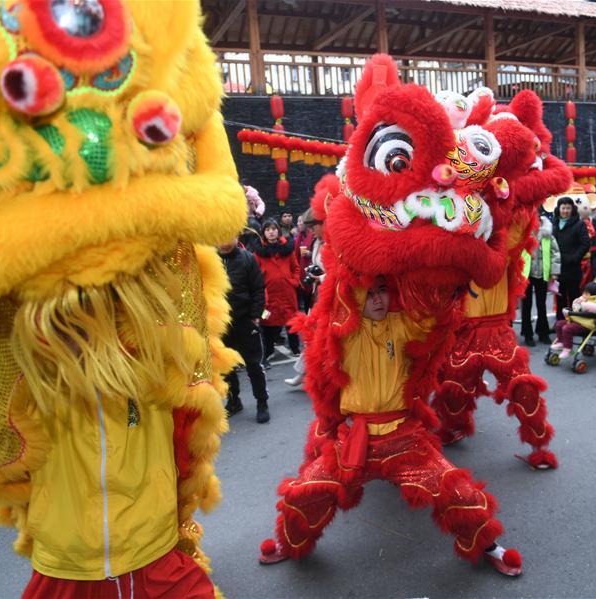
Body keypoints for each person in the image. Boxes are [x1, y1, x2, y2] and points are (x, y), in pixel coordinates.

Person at [259, 278, 522, 576]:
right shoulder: (343, 333)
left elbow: (433, 315)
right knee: (305, 492)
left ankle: (488, 546)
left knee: (459, 492)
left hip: (403, 440)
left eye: (382, 290)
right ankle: (291, 544)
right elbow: (338, 295)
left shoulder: (403, 324)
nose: (377, 299)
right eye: (368, 294)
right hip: (354, 441)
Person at [219, 236, 271, 423]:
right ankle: (233, 401)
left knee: (254, 365)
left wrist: (256, 316)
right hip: (222, 324)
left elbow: (258, 289)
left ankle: (262, 402)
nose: (223, 241)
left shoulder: (248, 258)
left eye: (227, 235)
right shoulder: (212, 261)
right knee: (226, 367)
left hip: (246, 322)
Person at [254, 220, 301, 364]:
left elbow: (296, 268)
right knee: (266, 322)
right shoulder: (258, 252)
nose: (271, 232)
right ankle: (268, 351)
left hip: (287, 293)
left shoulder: (287, 249)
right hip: (268, 295)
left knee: (291, 320)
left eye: (274, 229)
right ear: (264, 233)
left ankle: (295, 348)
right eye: (268, 229)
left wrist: (293, 281)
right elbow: (255, 273)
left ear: (278, 231)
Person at [550, 283, 596, 360]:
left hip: (588, 324)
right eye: (584, 292)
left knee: (567, 328)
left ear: (593, 294)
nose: (583, 294)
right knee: (559, 324)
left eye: (586, 293)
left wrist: (584, 305)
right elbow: (575, 306)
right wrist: (576, 303)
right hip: (577, 320)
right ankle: (561, 342)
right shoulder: (584, 298)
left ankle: (567, 349)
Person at [523, 212, 561, 345]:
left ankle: (543, 332)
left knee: (541, 304)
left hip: (542, 274)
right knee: (526, 305)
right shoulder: (522, 233)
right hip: (525, 274)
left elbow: (555, 253)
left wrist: (554, 272)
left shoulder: (547, 234)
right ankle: (527, 334)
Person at [552, 197, 591, 323]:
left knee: (574, 294)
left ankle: (575, 321)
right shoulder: (554, 223)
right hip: (558, 266)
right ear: (559, 209)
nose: (565, 211)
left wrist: (575, 257)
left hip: (573, 267)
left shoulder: (579, 224)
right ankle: (560, 321)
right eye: (563, 208)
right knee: (560, 296)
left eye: (568, 208)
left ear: (572, 209)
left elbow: (585, 244)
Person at [293, 213, 315, 312]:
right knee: (305, 299)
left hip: (312, 271)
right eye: (297, 221)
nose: (298, 224)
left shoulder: (314, 236)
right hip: (301, 272)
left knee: (312, 298)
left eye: (300, 221)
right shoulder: (298, 237)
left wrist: (311, 254)